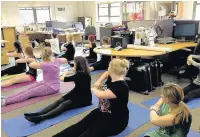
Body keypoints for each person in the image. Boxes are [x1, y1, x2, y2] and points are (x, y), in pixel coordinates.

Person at [52, 58, 130, 137]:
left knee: (88, 133)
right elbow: (105, 73)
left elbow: (101, 95)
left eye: (109, 66)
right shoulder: (113, 77)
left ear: (113, 70)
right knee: (80, 126)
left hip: (116, 121)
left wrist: (93, 89)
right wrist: (99, 81)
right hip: (102, 111)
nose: (107, 67)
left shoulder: (121, 87)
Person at [24, 56, 92, 124]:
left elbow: (63, 79)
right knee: (60, 101)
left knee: (65, 104)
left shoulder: (80, 75)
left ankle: (41, 117)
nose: (74, 65)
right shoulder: (82, 72)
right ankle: (38, 113)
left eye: (75, 64)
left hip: (84, 98)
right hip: (78, 92)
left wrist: (65, 73)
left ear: (79, 65)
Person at [1, 47, 67, 106]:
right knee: (28, 89)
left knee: (30, 92)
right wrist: (54, 59)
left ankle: (5, 101)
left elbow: (31, 65)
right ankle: (8, 98)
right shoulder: (56, 60)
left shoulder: (45, 65)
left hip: (52, 88)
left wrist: (31, 60)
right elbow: (65, 59)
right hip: (47, 82)